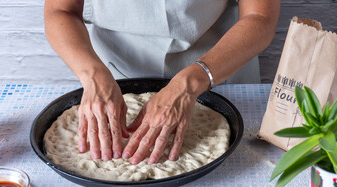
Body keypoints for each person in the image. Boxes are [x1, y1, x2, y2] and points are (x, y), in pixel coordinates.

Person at [44, 0, 280, 165]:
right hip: (115, 74)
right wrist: (93, 75)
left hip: (219, 72)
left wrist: (189, 84)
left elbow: (259, 16)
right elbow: (60, 10)